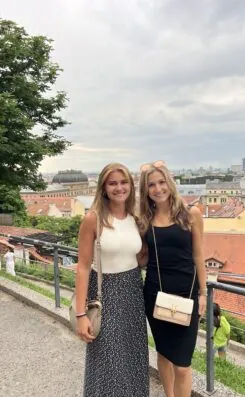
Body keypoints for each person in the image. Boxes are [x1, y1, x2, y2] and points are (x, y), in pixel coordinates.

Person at [75, 163, 149, 397]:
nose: (119, 187)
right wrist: (80, 315)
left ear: (131, 185)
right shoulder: (93, 219)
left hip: (133, 294)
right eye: (113, 183)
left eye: (124, 182)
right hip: (104, 295)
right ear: (104, 188)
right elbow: (83, 268)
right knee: (108, 362)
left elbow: (139, 257)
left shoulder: (135, 218)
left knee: (133, 359)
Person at [139, 160, 207, 397]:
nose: (158, 189)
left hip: (186, 296)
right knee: (164, 354)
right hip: (155, 295)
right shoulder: (145, 220)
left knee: (183, 365)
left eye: (161, 182)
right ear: (145, 190)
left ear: (170, 183)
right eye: (151, 185)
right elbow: (142, 257)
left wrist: (203, 293)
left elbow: (198, 254)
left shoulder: (191, 214)